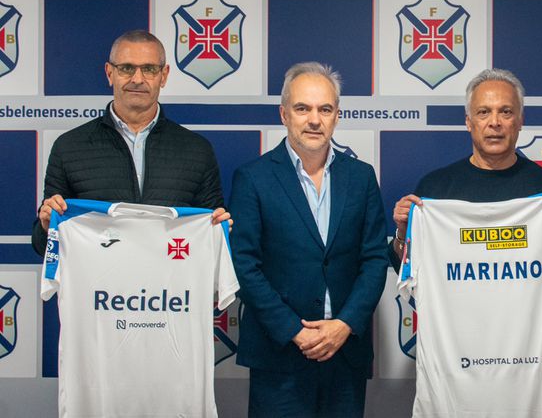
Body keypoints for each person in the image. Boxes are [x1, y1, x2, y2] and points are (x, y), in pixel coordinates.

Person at [229, 62, 388, 418]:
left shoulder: (361, 177)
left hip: (345, 353)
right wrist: (294, 331)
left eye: (325, 109)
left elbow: (375, 259)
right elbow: (244, 265)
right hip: (279, 356)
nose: (314, 120)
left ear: (337, 115)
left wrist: (345, 324)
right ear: (284, 114)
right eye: (303, 108)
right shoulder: (253, 178)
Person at [390, 68, 542, 280]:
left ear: (520, 121)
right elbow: (406, 271)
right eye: (483, 112)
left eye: (506, 112)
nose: (495, 122)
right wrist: (403, 233)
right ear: (468, 122)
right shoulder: (434, 189)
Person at [33, 29, 228, 256]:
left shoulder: (197, 150)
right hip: (98, 278)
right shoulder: (69, 147)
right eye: (126, 68)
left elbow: (213, 240)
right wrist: (47, 227)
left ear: (164, 75)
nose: (137, 79)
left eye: (149, 69)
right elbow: (43, 246)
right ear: (109, 73)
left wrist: (220, 230)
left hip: (170, 277)